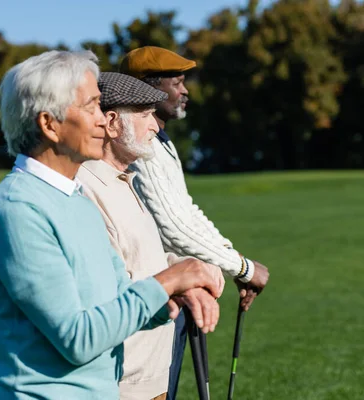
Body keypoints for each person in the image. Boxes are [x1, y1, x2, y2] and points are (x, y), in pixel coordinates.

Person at [0, 50, 224, 400]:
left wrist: (172, 296)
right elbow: (77, 338)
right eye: (91, 106)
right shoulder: (17, 209)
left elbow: (119, 299)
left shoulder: (74, 199)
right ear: (49, 124)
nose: (104, 122)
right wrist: (167, 280)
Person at [120, 46, 271, 399]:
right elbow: (173, 227)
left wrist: (230, 257)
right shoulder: (140, 145)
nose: (185, 91)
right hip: (152, 294)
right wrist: (243, 268)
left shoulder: (161, 141)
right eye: (177, 82)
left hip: (174, 286)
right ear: (148, 89)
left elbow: (186, 210)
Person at [77, 72, 222, 400]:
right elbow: (105, 294)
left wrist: (185, 274)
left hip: (153, 376)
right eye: (144, 116)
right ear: (112, 122)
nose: (156, 126)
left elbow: (142, 260)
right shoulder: (86, 190)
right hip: (121, 384)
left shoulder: (125, 180)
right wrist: (177, 280)